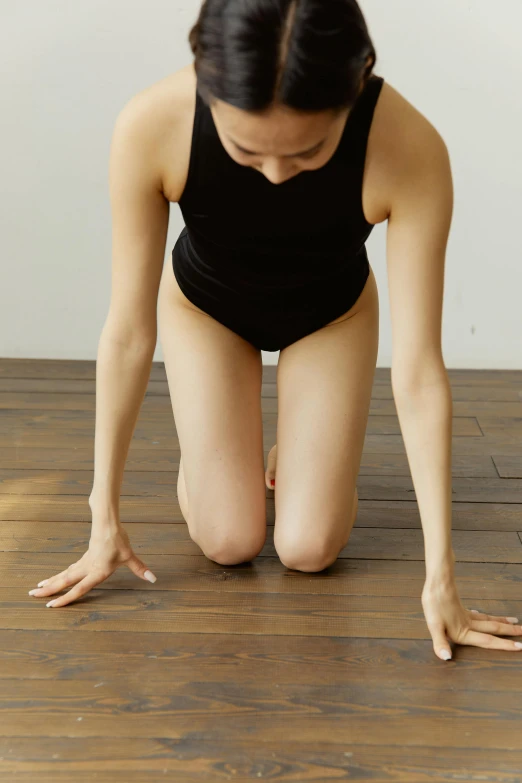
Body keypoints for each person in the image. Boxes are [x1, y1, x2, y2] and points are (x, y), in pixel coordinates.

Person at [29, 0, 522, 661]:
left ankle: (290, 440)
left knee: (309, 547)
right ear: (206, 78)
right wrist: (103, 515)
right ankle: (213, 460)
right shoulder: (150, 124)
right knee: (229, 538)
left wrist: (442, 576)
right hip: (206, 309)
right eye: (245, 149)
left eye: (309, 150)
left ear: (355, 86)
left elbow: (420, 372)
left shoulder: (410, 148)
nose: (275, 173)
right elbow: (126, 332)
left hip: (333, 313)